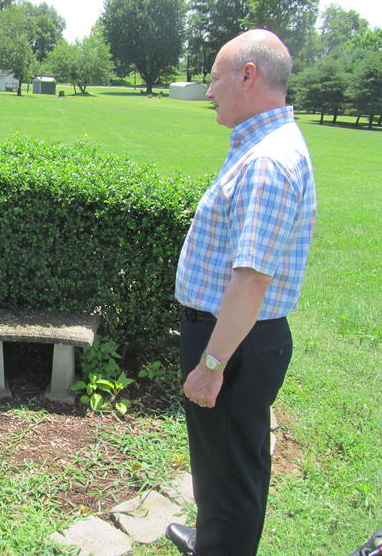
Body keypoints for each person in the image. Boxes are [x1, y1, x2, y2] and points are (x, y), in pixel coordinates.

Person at [165, 29, 317, 555]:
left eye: (214, 79)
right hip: (240, 341)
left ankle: (221, 544)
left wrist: (211, 365)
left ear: (247, 76)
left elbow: (251, 280)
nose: (208, 92)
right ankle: (216, 541)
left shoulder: (267, 163)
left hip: (234, 345)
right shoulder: (265, 148)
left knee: (229, 474)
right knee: (231, 464)